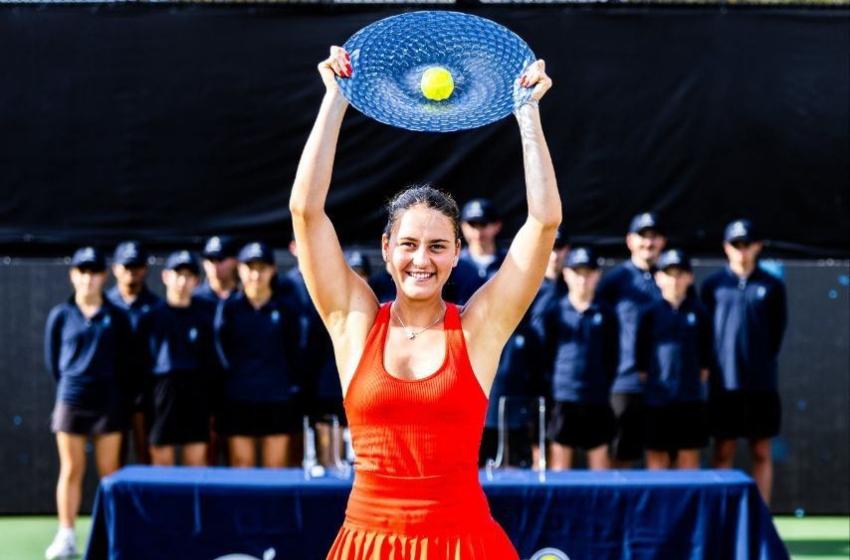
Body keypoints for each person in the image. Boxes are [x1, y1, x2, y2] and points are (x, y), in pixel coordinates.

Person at [290, 46, 558, 559]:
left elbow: (543, 223)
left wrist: (527, 114)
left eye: (438, 246)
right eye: (409, 244)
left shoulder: (479, 328)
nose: (422, 259)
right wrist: (336, 99)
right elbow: (305, 211)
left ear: (458, 254)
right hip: (366, 545)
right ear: (387, 250)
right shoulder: (354, 322)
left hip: (466, 544)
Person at [44, 247, 133, 560]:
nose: (88, 278)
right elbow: (54, 362)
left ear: (103, 276)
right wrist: (73, 386)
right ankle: (66, 535)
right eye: (82, 271)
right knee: (71, 469)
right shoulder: (60, 315)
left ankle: (112, 535)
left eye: (94, 272)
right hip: (71, 401)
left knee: (110, 474)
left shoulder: (118, 317)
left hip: (108, 403)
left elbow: (126, 362)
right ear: (72, 275)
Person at [701, 220, 787, 504]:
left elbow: (777, 332)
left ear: (757, 246)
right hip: (723, 385)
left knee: (761, 451)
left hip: (761, 385)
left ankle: (761, 514)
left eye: (747, 244)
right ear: (726, 247)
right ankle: (720, 512)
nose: (742, 250)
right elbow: (705, 333)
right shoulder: (713, 286)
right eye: (736, 244)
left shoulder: (772, 286)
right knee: (723, 451)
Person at [214, 242, 302, 468]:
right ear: (240, 270)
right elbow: (220, 350)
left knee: (277, 468)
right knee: (241, 467)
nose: (255, 274)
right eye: (249, 267)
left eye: (262, 268)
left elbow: (296, 350)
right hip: (239, 399)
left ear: (272, 270)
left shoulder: (287, 309)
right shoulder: (228, 309)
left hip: (277, 399)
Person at [535, 247, 618, 470]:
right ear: (566, 274)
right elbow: (546, 353)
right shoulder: (555, 311)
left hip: (597, 397)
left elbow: (613, 356)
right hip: (563, 397)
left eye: (589, 272)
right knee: (560, 465)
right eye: (577, 272)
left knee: (600, 466)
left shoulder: (607, 313)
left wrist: (601, 384)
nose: (583, 279)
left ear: (598, 275)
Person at [596, 212, 666, 467]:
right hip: (624, 383)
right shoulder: (616, 281)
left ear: (662, 242)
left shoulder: (671, 276)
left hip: (665, 384)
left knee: (660, 455)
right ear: (629, 241)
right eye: (642, 236)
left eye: (654, 237)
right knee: (621, 454)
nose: (648, 243)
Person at [635, 249, 711, 470]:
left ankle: (687, 506)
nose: (674, 280)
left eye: (680, 273)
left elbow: (706, 363)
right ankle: (658, 506)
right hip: (656, 400)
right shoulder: (649, 314)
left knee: (688, 459)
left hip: (690, 400)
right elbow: (641, 363)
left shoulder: (700, 313)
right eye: (669, 273)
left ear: (690, 277)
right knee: (656, 458)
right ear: (659, 278)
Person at [144, 251, 214, 466]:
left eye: (189, 275)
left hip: (196, 391)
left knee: (196, 463)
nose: (182, 281)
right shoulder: (152, 316)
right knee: (161, 462)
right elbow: (141, 361)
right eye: (178, 274)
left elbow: (211, 359)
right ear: (166, 276)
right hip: (163, 393)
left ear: (196, 280)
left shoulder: (205, 315)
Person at [106, 240, 161, 465]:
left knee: (145, 451)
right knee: (113, 457)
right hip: (112, 391)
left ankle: (147, 501)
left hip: (146, 392)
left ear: (145, 269)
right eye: (127, 266)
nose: (132, 272)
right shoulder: (105, 305)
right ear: (115, 268)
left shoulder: (156, 306)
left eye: (137, 266)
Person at [194, 235, 239, 466]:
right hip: (203, 390)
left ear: (234, 262)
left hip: (239, 388)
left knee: (238, 456)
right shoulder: (195, 299)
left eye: (221, 259)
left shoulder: (244, 298)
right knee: (206, 455)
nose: (215, 265)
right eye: (210, 259)